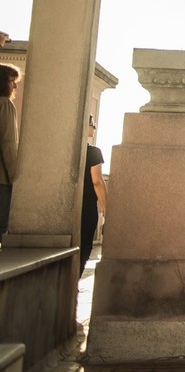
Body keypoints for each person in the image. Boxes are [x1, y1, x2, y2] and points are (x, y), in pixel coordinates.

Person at [80, 115, 108, 276]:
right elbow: (97, 181)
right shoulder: (93, 152)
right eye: (93, 124)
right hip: (87, 207)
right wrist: (106, 209)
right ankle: (73, 286)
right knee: (84, 249)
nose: (94, 128)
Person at [0, 63, 21, 248]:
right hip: (2, 180)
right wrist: (16, 177)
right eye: (12, 81)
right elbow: (8, 144)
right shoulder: (5, 105)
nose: (15, 86)